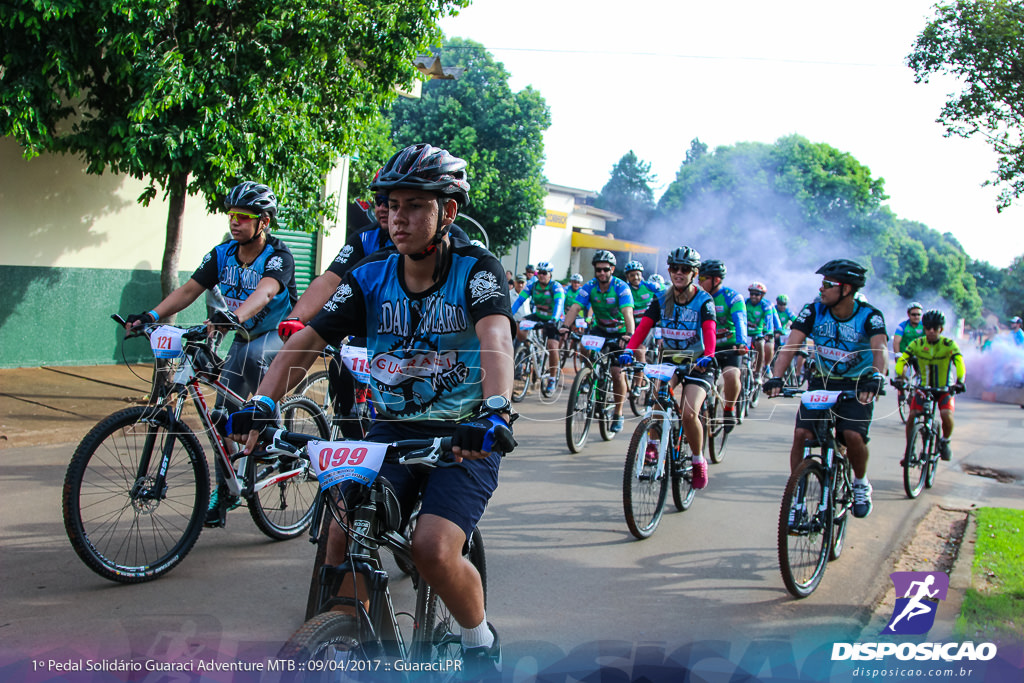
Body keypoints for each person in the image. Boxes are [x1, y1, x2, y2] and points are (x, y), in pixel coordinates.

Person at [229, 143, 514, 675]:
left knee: (431, 547)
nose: (398, 218)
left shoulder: (478, 269)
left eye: (414, 206)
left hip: (464, 433)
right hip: (391, 429)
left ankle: (478, 637)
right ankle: (349, 630)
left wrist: (494, 410)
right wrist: (263, 403)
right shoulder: (371, 274)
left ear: (447, 212)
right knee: (345, 526)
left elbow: (495, 337)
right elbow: (307, 342)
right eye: (392, 204)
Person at [124, 181, 298, 527]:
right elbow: (190, 289)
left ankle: (272, 437)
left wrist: (233, 317)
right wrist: (152, 316)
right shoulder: (222, 254)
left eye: (244, 217)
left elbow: (265, 293)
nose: (235, 222)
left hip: (278, 335)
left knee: (252, 360)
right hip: (241, 333)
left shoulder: (278, 256)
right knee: (221, 418)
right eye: (232, 215)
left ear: (263, 221)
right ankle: (227, 490)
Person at [765, 259, 888, 518]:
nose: (821, 290)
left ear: (846, 289)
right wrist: (776, 377)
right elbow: (790, 345)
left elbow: (880, 350)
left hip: (858, 384)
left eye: (827, 285)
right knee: (801, 434)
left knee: (852, 436)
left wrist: (876, 377)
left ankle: (860, 483)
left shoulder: (870, 316)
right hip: (822, 381)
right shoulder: (814, 311)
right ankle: (796, 494)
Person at [621, 246, 716, 489]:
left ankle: (697, 460)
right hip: (671, 359)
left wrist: (709, 355)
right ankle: (653, 444)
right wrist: (630, 350)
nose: (679, 273)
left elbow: (709, 331)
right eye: (675, 268)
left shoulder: (704, 300)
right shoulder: (662, 298)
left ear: (694, 273)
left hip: (698, 363)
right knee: (657, 402)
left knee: (688, 413)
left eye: (685, 269)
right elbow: (644, 327)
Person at [561, 250, 636, 433]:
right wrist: (565, 326)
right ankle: (588, 373)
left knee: (617, 373)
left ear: (611, 269)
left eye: (605, 269)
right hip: (600, 329)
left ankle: (618, 413)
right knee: (583, 345)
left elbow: (628, 313)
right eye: (598, 270)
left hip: (619, 333)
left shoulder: (621, 287)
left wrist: (629, 334)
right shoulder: (589, 286)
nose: (602, 273)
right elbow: (575, 307)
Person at [893, 310, 966, 460]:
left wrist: (960, 381)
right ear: (924, 328)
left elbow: (959, 363)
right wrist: (900, 376)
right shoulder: (917, 344)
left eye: (935, 328)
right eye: (928, 328)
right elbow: (903, 360)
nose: (931, 331)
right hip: (924, 387)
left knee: (946, 414)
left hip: (944, 388)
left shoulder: (949, 345)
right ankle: (910, 449)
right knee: (912, 415)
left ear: (941, 329)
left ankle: (945, 441)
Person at [697, 259, 748, 431]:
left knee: (731, 376)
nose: (699, 281)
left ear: (716, 280)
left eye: (703, 277)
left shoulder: (732, 297)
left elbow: (740, 321)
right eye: (698, 276)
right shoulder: (698, 295)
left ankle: (729, 409)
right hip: (705, 347)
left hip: (729, 346)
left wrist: (742, 342)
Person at [511, 261, 566, 393]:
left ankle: (552, 378)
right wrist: (509, 314)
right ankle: (527, 347)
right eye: (539, 273)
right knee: (520, 324)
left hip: (554, 318)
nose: (541, 275)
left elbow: (559, 303)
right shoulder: (532, 285)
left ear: (550, 274)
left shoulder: (556, 287)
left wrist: (554, 319)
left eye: (544, 273)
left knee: (553, 347)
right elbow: (519, 300)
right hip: (539, 315)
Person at [745, 282, 775, 378]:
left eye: (757, 294)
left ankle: (758, 372)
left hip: (758, 333)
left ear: (762, 295)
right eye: (751, 294)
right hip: (745, 333)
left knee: (760, 344)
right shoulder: (745, 303)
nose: (753, 296)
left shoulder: (765, 305)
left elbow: (769, 320)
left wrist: (769, 332)